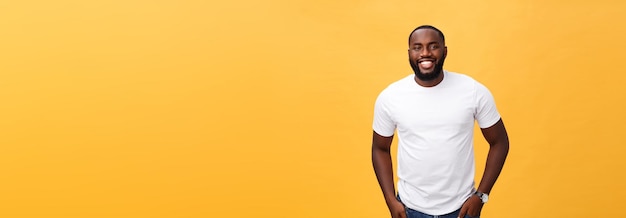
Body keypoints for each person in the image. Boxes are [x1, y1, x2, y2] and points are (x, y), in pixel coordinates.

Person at [371, 25, 509, 218]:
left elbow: (500, 142)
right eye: (418, 47)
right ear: (409, 53)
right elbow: (379, 148)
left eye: (433, 46)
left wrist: (482, 195)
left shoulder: (473, 91)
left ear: (444, 51)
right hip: (410, 209)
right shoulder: (390, 97)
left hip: (462, 210)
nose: (425, 53)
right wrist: (390, 200)